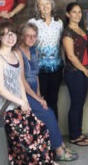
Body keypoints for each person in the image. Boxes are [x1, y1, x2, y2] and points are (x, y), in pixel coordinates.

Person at [0, 21, 54, 164]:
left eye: (12, 33)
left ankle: (46, 162)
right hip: (4, 110)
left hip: (19, 106)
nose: (10, 37)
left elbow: (20, 81)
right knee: (27, 140)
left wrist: (25, 102)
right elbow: (0, 89)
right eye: (5, 34)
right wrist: (20, 102)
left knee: (41, 129)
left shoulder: (15, 55)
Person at [18, 22, 78, 162]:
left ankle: (61, 146)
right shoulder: (18, 52)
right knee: (48, 114)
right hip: (24, 93)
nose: (32, 39)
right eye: (28, 36)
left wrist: (39, 94)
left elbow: (36, 75)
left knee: (49, 111)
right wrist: (38, 99)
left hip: (33, 90)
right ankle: (58, 150)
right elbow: (22, 82)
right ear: (22, 36)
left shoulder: (33, 50)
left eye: (34, 36)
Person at [62, 2, 88, 146]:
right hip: (75, 72)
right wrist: (84, 69)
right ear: (68, 14)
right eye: (74, 12)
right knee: (76, 104)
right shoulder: (68, 32)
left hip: (85, 70)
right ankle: (74, 136)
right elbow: (71, 56)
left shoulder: (82, 29)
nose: (77, 15)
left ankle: (78, 132)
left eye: (79, 12)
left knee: (80, 103)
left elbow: (87, 51)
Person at [28, 0, 63, 119]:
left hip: (56, 68)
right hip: (39, 69)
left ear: (52, 5)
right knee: (41, 99)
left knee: (53, 100)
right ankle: (43, 134)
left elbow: (61, 44)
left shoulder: (58, 22)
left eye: (47, 3)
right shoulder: (32, 22)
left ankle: (55, 132)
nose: (45, 6)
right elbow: (28, 44)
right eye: (41, 4)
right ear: (38, 7)